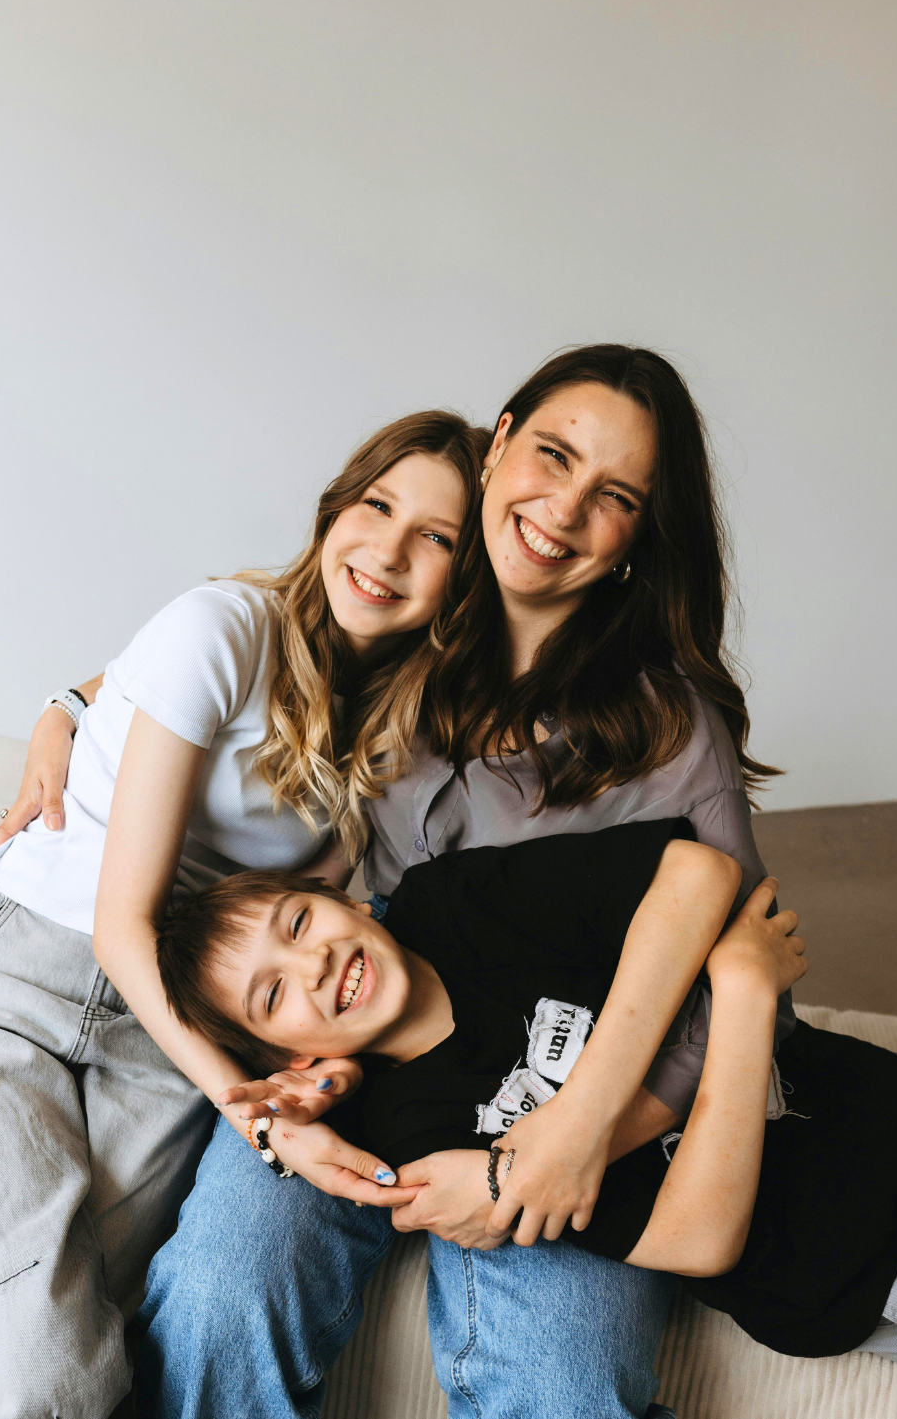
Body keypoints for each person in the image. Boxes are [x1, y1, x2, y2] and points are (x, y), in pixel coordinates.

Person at [133, 346, 787, 1419]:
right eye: (552, 456)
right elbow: (235, 633)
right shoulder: (402, 609)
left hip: (556, 1063)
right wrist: (71, 706)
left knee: (569, 1383)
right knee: (215, 1294)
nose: (564, 510)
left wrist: (565, 1141)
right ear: (499, 444)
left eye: (614, 497)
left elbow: (732, 962)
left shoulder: (666, 721)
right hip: (366, 1021)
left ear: (639, 538)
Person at [0, 410, 485, 1419]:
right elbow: (122, 923)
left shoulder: (392, 740)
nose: (390, 549)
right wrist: (256, 1116)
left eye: (439, 538)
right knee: (38, 1384)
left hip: (170, 1039)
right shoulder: (228, 624)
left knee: (27, 1355)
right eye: (378, 505)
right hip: (25, 978)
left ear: (466, 579)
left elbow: (325, 935)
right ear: (337, 508)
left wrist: (310, 1074)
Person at [151, 825, 897, 1375]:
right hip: (874, 1265)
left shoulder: (446, 902)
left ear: (351, 902)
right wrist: (743, 995)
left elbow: (698, 871)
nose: (314, 963)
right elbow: (698, 1239)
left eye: (298, 922)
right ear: (292, 1057)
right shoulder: (414, 1135)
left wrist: (581, 1113)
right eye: (275, 992)